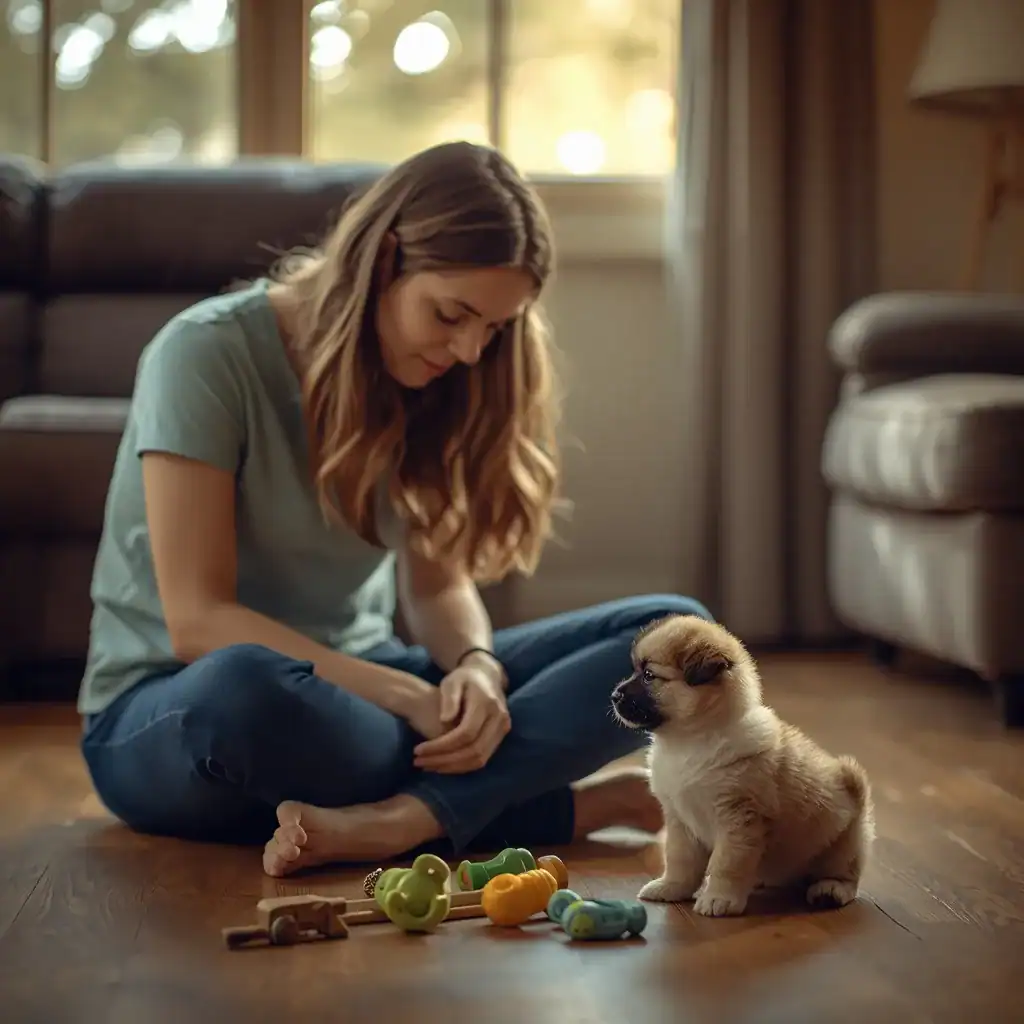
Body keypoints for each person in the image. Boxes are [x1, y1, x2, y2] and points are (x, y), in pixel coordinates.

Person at [77, 141, 712, 877]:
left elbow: (437, 589)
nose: (469, 350)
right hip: (178, 706)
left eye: (493, 329)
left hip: (363, 700)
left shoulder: (432, 376)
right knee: (245, 692)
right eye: (451, 314)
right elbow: (199, 622)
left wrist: (474, 668)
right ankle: (547, 807)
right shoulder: (203, 353)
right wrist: (410, 696)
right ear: (383, 260)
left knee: (672, 635)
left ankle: (399, 820)